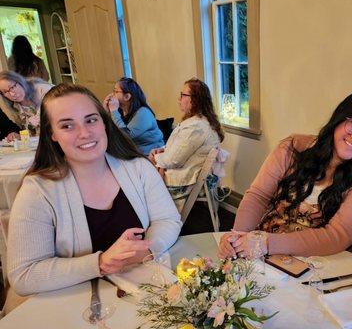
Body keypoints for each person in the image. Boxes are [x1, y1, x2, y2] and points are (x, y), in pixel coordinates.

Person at [6, 83, 181, 297]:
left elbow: (168, 219)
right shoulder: (38, 191)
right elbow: (24, 275)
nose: (85, 133)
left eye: (91, 120)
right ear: (52, 134)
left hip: (143, 297)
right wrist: (101, 263)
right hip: (75, 310)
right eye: (67, 126)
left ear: (103, 122)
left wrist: (149, 247)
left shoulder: (138, 168)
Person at [218, 90, 352, 258]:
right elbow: (259, 195)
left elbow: (337, 236)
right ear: (339, 118)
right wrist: (238, 236)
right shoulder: (294, 146)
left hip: (315, 266)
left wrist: (267, 244)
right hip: (259, 252)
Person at [149, 78, 224, 206]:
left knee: (140, 173)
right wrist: (163, 150)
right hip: (184, 173)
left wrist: (155, 157)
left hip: (179, 180)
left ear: (194, 100)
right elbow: (178, 151)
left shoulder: (195, 128)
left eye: (183, 95)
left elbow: (173, 160)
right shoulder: (200, 122)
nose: (179, 98)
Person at [103, 77, 164, 155]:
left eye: (116, 92)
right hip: (133, 152)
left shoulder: (144, 113)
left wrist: (114, 111)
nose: (112, 95)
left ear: (127, 97)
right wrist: (105, 112)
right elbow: (109, 132)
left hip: (151, 154)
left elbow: (126, 137)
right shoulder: (120, 110)